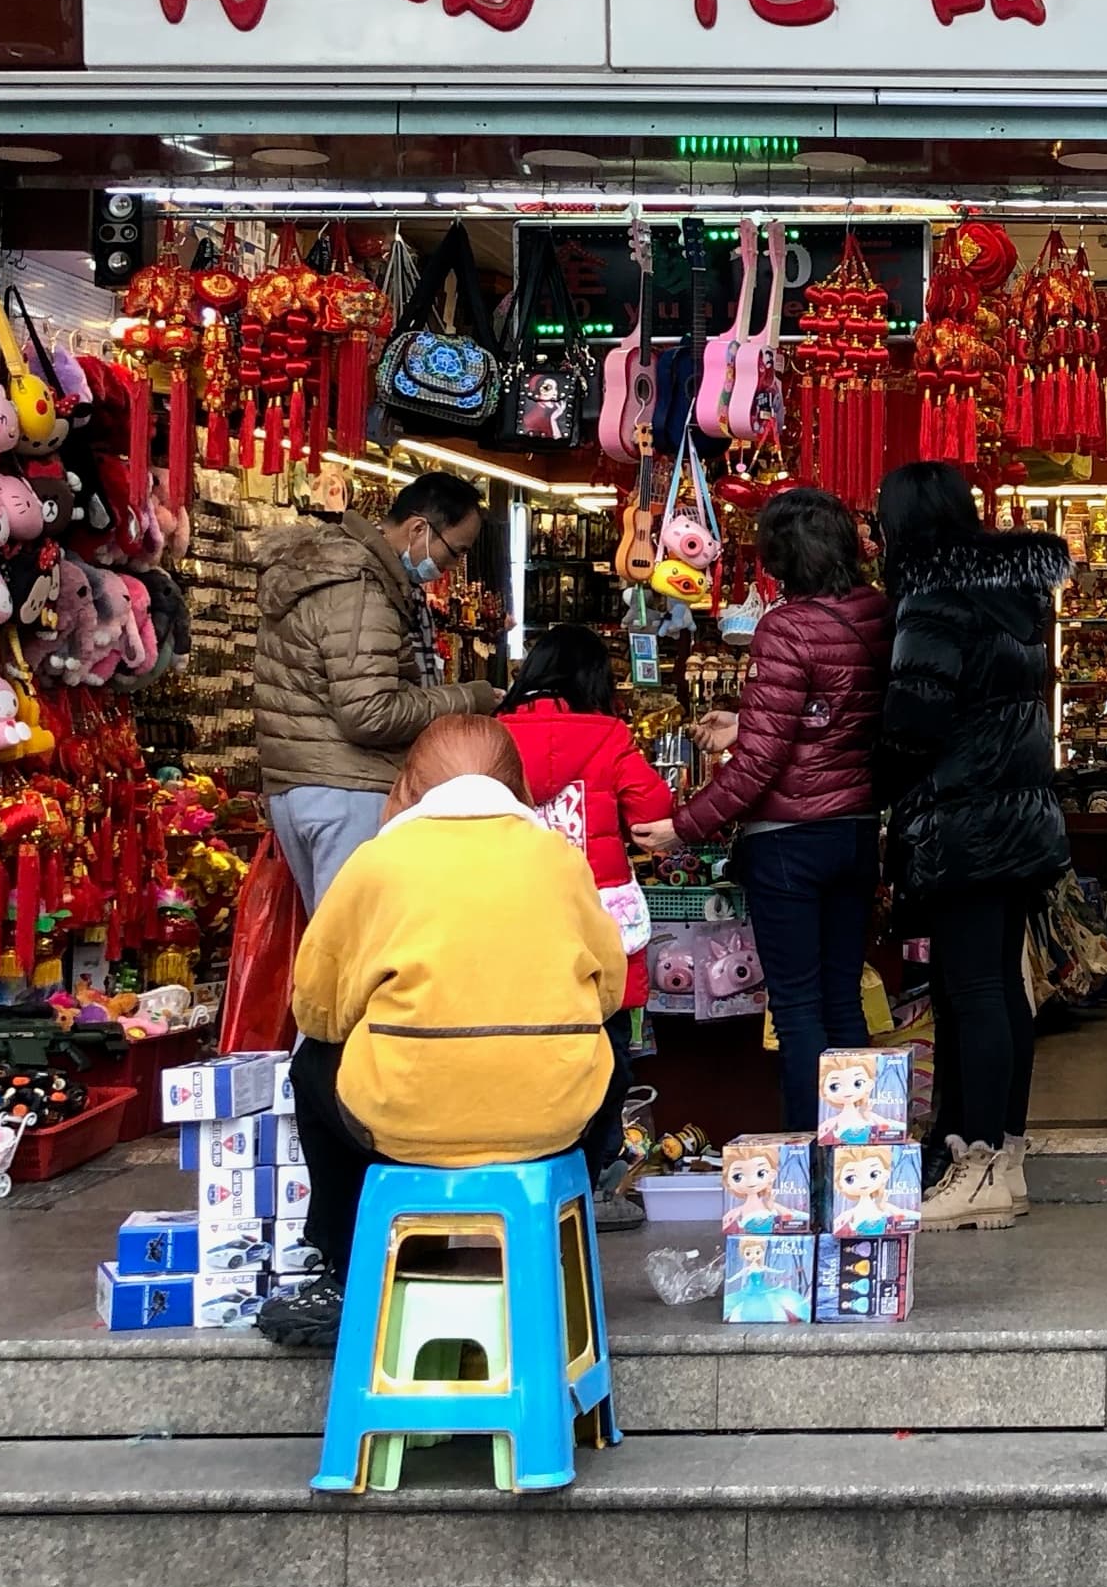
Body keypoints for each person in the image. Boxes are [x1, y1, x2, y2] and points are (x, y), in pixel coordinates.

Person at [258, 716, 630, 1351]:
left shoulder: (376, 863)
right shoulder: (559, 859)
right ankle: (587, 1180)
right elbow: (611, 989)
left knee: (315, 1060)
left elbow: (316, 1008)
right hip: (552, 1121)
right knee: (613, 1033)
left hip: (401, 1123)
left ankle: (343, 1263)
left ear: (405, 790)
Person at [875, 459, 1071, 1231]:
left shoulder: (933, 596)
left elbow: (914, 716)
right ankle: (1005, 1159)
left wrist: (877, 782)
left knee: (971, 991)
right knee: (998, 984)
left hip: (962, 815)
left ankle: (976, 1161)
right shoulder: (1014, 593)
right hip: (1019, 813)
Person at [681, 486, 890, 1124]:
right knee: (842, 1000)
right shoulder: (879, 614)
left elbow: (763, 766)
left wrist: (685, 827)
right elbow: (831, 721)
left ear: (780, 558)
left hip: (788, 839)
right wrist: (749, 722)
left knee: (797, 1008)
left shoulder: (786, 628)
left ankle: (807, 1160)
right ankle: (857, 1157)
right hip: (855, 828)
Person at [253, 469, 501, 908]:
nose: (450, 567)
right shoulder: (360, 589)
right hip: (345, 787)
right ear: (419, 528)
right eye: (453, 551)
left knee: (336, 944)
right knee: (356, 947)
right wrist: (469, 699)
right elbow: (369, 713)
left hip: (305, 783)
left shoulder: (333, 573)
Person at [499, 627, 678, 1234]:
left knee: (522, 1041)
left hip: (519, 915)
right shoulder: (608, 736)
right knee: (604, 1046)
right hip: (598, 918)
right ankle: (595, 1176)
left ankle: (527, 1165)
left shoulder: (492, 737)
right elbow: (654, 810)